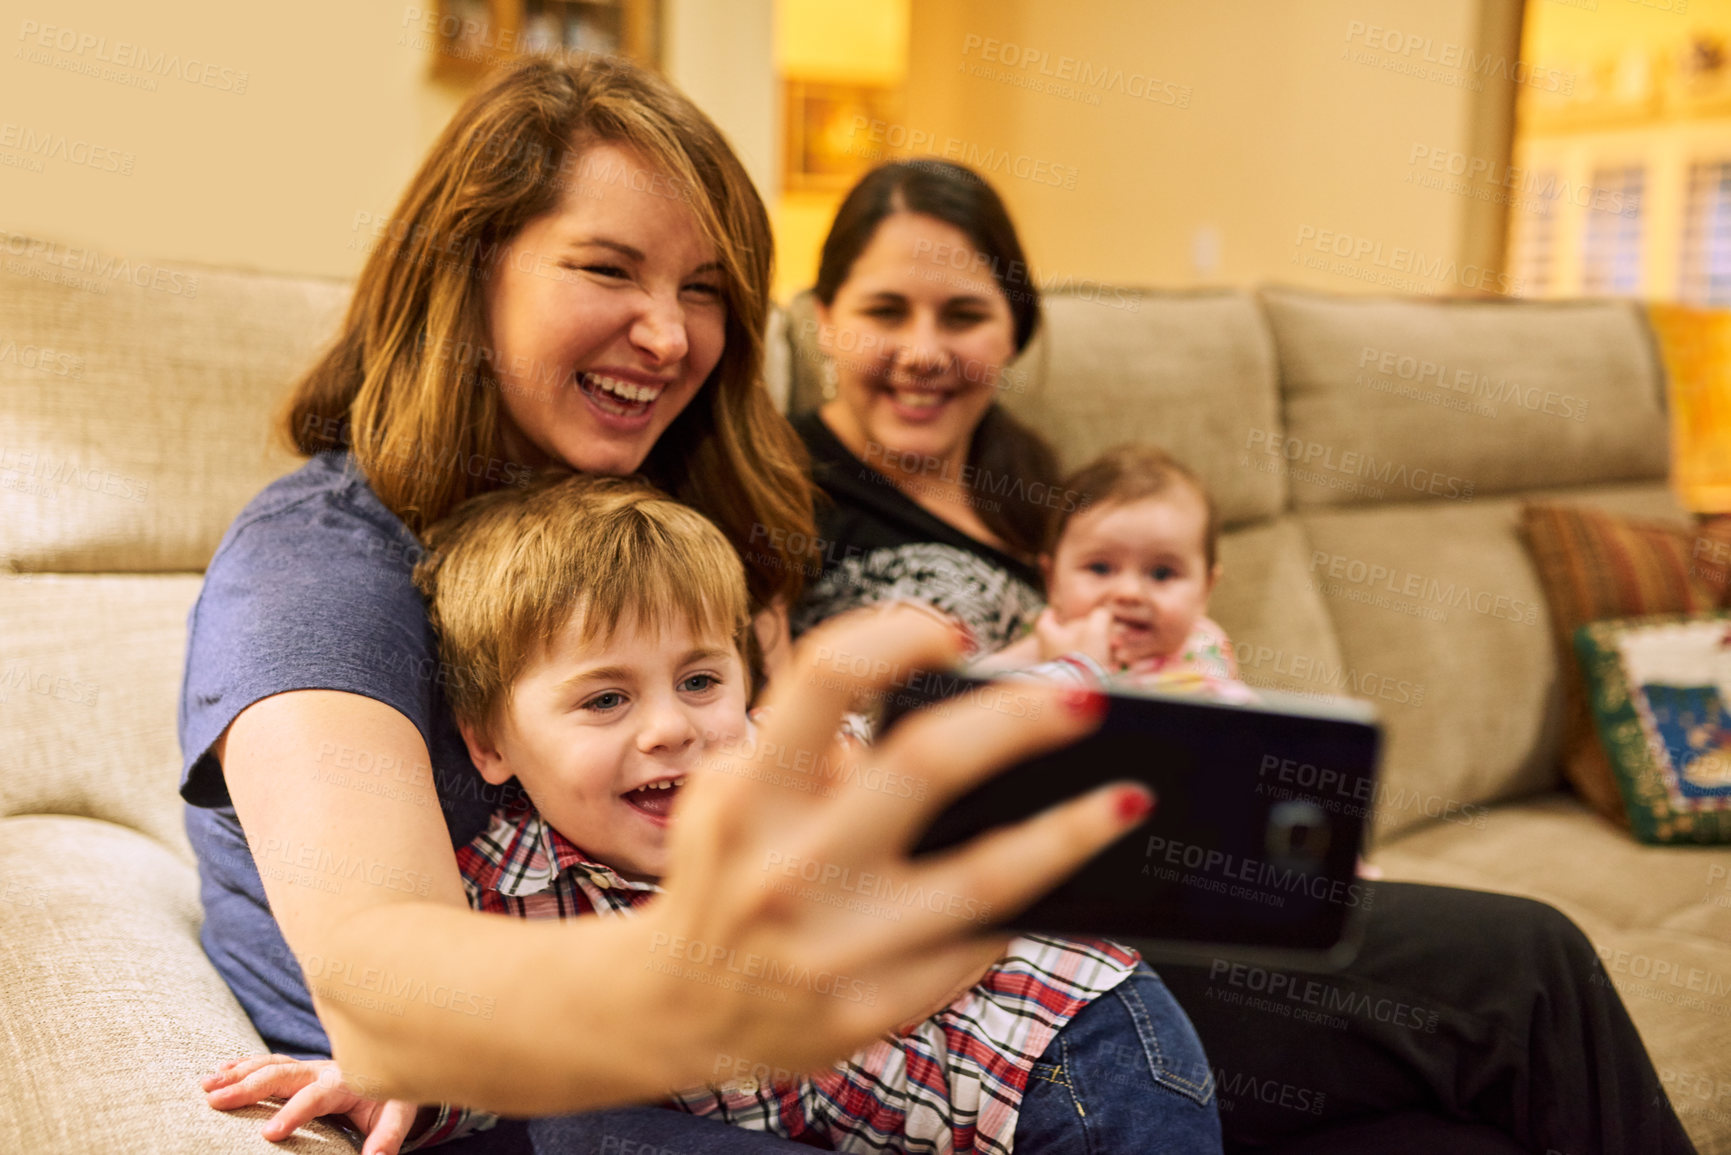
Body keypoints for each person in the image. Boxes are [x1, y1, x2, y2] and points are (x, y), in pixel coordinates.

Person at [181, 58, 1151, 1155]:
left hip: (793, 1069)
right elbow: (379, 980)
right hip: (545, 1117)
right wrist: (712, 976)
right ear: (468, 274)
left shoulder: (674, 522)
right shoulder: (317, 568)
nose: (670, 336)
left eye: (704, 289)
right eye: (608, 269)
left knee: (1317, 978)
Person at [787, 157, 1698, 1155]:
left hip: (1171, 891)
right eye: (886, 311)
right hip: (1018, 956)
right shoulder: (785, 494)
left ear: (1014, 333)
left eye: (963, 315)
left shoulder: (1035, 483)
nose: (925, 351)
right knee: (1532, 963)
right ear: (826, 317)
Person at [207, 472, 1222, 1154]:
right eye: (606, 700)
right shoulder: (504, 888)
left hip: (1080, 1049)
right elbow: (511, 1042)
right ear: (489, 745)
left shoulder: (798, 783)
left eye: (700, 681)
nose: (671, 730)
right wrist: (392, 1076)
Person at [975, 443, 1247, 702]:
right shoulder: (1048, 640)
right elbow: (968, 694)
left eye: (1162, 573)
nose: (1129, 593)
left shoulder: (1203, 644)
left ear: (1205, 591)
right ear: (1052, 582)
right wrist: (1063, 666)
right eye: (1100, 568)